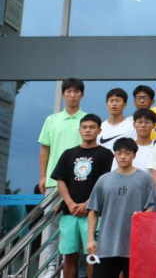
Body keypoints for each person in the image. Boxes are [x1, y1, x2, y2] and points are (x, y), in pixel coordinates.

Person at [51, 113, 113, 278]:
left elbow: (105, 183)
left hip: (94, 212)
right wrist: (70, 203)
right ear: (79, 130)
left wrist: (88, 203)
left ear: (99, 130)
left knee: (93, 255)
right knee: (69, 255)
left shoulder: (106, 154)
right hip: (69, 212)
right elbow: (60, 180)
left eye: (92, 127)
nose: (87, 130)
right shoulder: (68, 154)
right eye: (84, 127)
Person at [85, 138, 155, 278]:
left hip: (136, 246)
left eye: (127, 153)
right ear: (115, 155)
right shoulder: (104, 180)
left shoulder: (145, 179)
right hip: (106, 245)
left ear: (134, 155)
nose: (123, 157)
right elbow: (93, 210)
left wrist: (142, 216)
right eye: (119, 153)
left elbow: (152, 206)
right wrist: (91, 238)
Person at [38, 77, 86, 195]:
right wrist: (43, 177)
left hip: (81, 179)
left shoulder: (88, 120)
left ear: (82, 95)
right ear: (63, 95)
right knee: (52, 209)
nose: (72, 95)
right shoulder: (51, 120)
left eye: (76, 91)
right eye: (68, 91)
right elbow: (45, 149)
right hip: (53, 180)